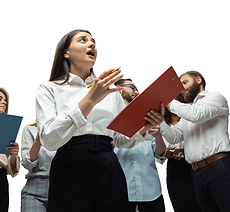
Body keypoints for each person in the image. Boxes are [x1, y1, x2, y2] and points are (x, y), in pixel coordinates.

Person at [35, 29, 165, 212]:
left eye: (93, 41)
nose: (92, 44)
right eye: (83, 40)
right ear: (66, 52)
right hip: (69, 165)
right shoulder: (48, 88)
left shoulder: (111, 91)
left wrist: (144, 127)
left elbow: (120, 139)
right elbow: (48, 138)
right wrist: (90, 100)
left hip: (108, 164)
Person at [161, 71, 230, 212]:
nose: (182, 89)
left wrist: (170, 103)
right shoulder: (187, 112)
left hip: (220, 168)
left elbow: (197, 115)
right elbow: (174, 137)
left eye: (185, 82)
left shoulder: (215, 97)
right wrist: (159, 120)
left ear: (198, 79)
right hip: (197, 174)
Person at [114, 79, 166, 212]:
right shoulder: (108, 119)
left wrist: (158, 136)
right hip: (121, 192)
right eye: (132, 87)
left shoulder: (148, 118)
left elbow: (159, 153)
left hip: (151, 191)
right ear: (119, 89)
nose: (136, 91)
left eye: (136, 88)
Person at [160, 93, 202, 212]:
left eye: (176, 100)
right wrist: (164, 152)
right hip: (174, 170)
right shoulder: (162, 124)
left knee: (200, 205)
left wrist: (186, 150)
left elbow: (202, 142)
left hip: (192, 166)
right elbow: (156, 150)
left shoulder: (191, 120)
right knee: (181, 205)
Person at [20, 121, 56, 212]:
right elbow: (27, 164)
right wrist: (37, 141)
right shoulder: (29, 130)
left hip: (61, 189)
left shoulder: (68, 131)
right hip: (34, 191)